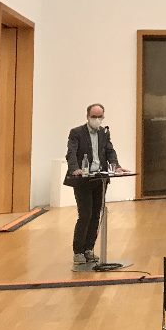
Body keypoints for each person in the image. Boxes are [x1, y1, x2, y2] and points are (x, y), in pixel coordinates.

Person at [64, 103, 127, 265]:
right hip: (83, 180)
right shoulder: (76, 132)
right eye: (94, 117)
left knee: (96, 215)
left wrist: (117, 166)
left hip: (100, 179)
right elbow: (71, 153)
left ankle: (89, 249)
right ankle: (78, 251)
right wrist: (75, 169)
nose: (97, 120)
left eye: (100, 117)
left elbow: (110, 151)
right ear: (87, 116)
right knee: (85, 214)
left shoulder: (104, 133)